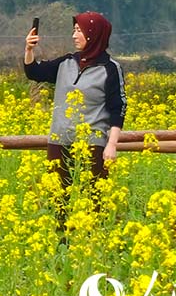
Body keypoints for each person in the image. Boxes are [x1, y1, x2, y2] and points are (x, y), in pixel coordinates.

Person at [24, 11, 126, 195]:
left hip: (93, 144)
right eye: (74, 30)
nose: (74, 36)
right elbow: (35, 73)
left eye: (79, 30)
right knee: (58, 200)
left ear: (93, 33)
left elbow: (117, 108)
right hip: (60, 140)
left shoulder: (110, 69)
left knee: (93, 200)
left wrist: (111, 145)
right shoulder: (66, 62)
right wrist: (29, 50)